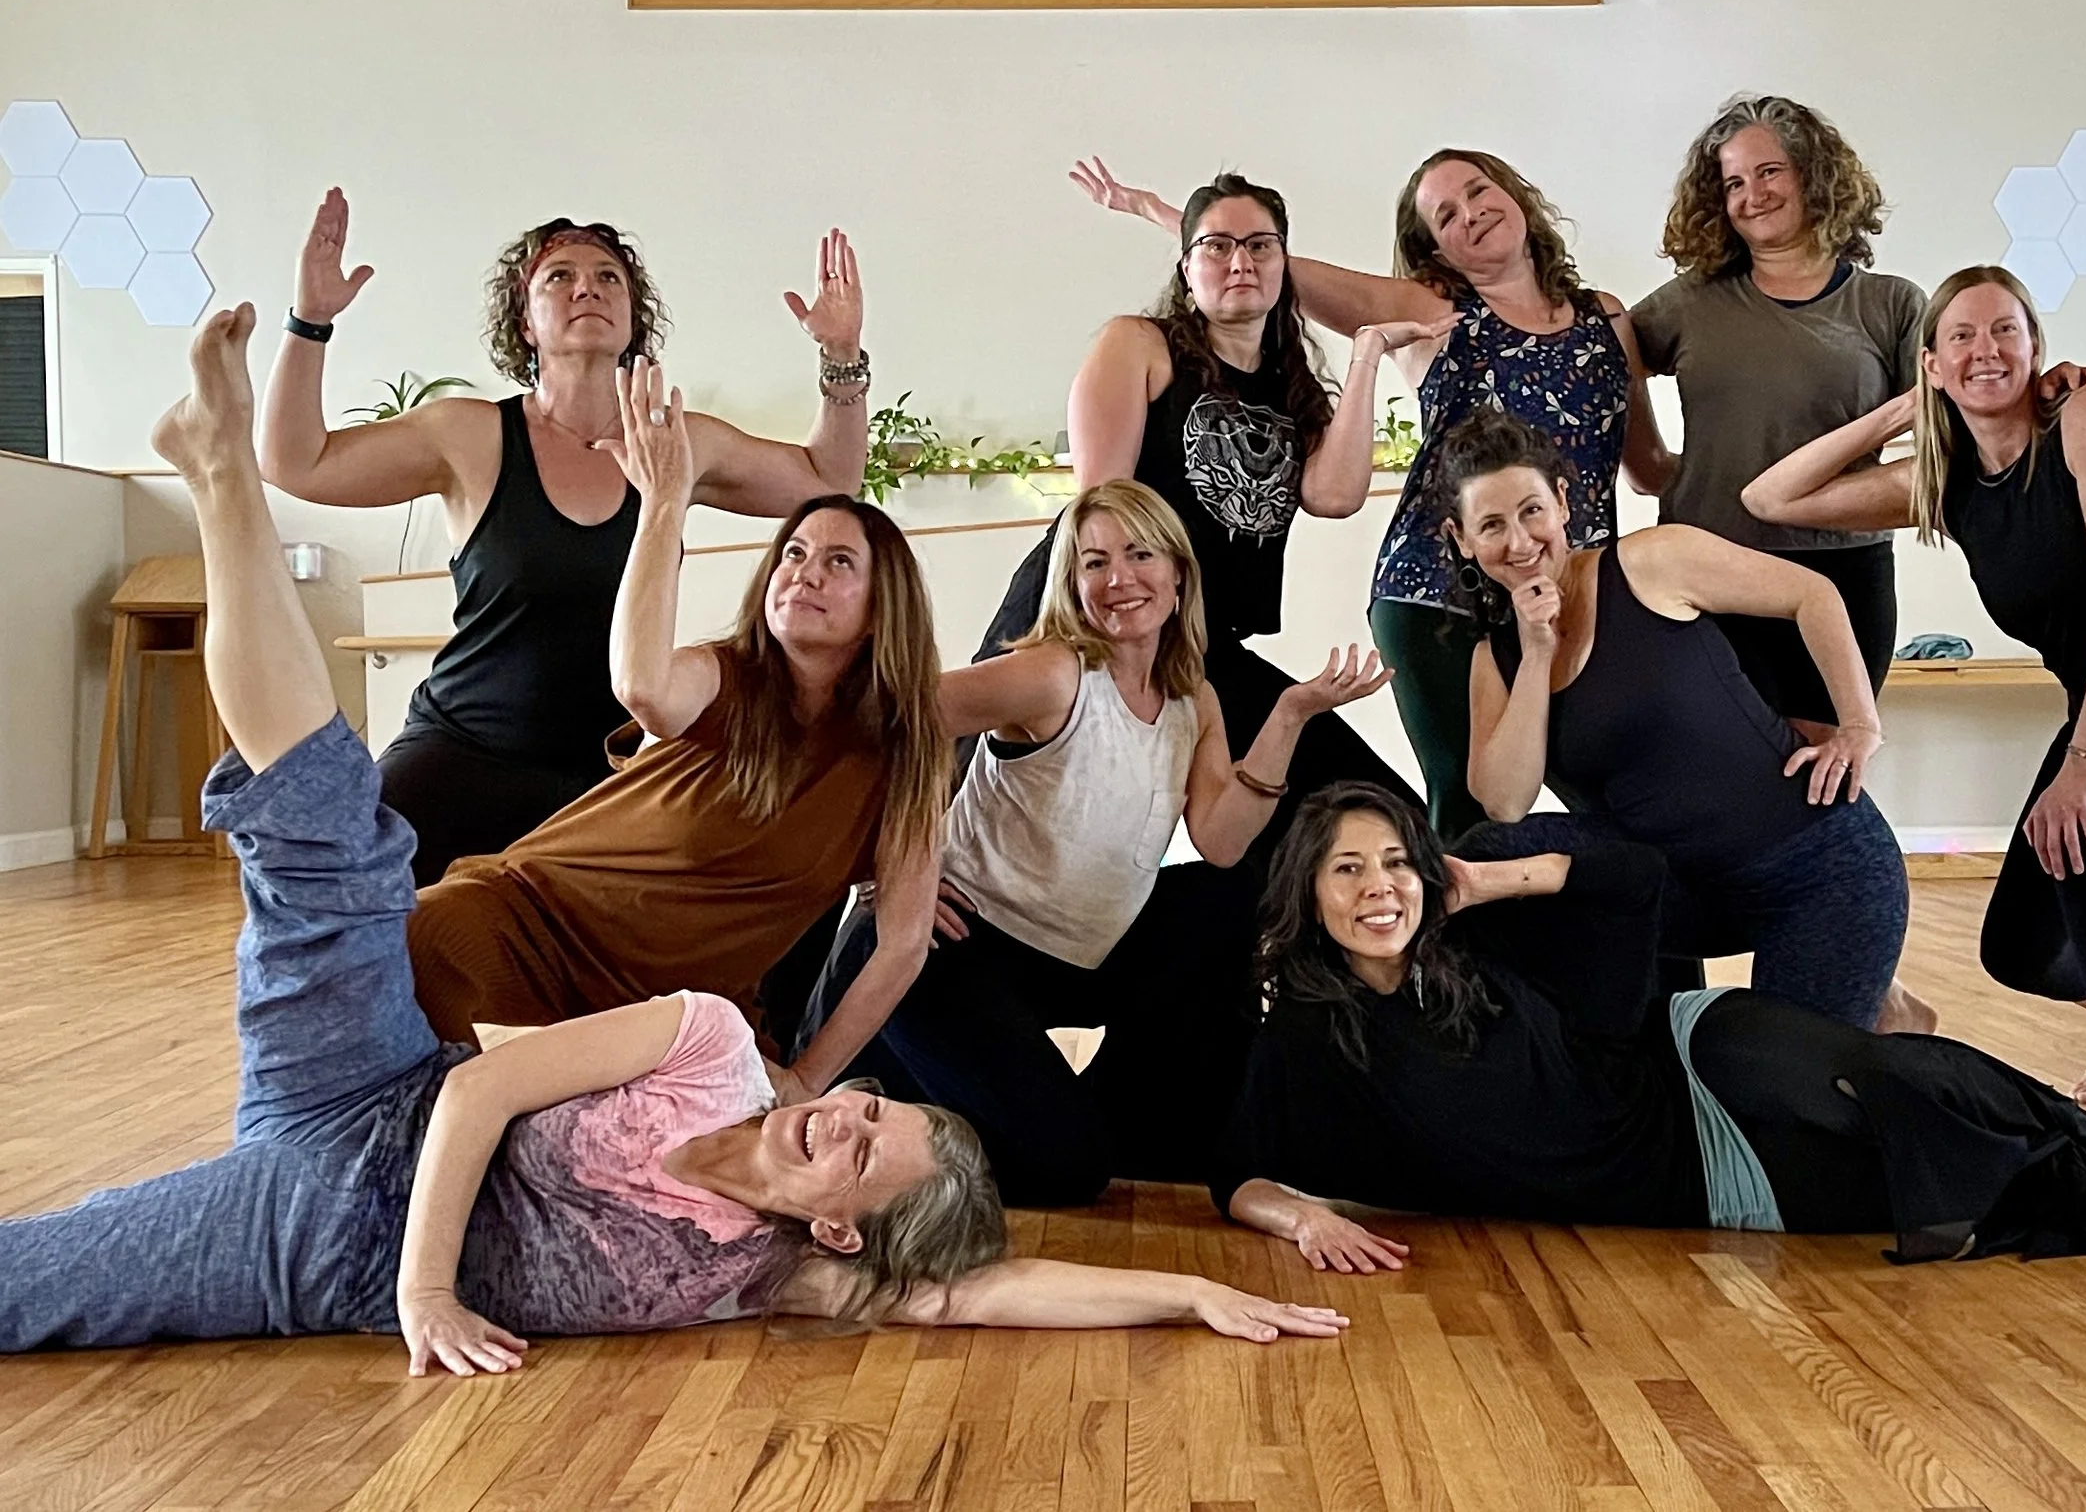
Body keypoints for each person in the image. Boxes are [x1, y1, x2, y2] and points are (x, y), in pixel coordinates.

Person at [0, 303, 1352, 1364]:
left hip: (315, 1244)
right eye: (873, 1110)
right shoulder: (716, 1031)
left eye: (866, 1145)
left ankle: (220, 472)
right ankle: (227, 477)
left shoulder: (768, 1263)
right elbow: (651, 694)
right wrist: (665, 504)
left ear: (842, 1224)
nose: (852, 1120)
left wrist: (1190, 1291)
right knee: (333, 841)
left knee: (39, 1285)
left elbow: (974, 1291)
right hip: (400, 1080)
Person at [1214, 783, 2086, 1273]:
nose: (1378, 885)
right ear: (1306, 894)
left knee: (1902, 1074)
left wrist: (1482, 878)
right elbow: (1243, 1170)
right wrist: (1301, 1214)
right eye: (1346, 870)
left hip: (1692, 1051)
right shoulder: (1310, 1038)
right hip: (1698, 1177)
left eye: (1394, 859)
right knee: (1964, 1175)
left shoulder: (1465, 946)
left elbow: (1632, 879)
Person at [1742, 266, 2086, 1149]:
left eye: (2005, 330)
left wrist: (2083, 770)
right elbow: (1771, 498)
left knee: (2083, 843)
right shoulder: (1946, 478)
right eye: (1959, 336)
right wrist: (1905, 410)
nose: (1985, 350)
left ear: (2037, 349)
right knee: (2013, 948)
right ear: (1932, 361)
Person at [259, 190, 878, 884]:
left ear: (632, 318)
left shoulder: (677, 443)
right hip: (462, 752)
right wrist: (309, 321)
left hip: (613, 771)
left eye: (608, 276)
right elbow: (295, 461)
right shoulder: (469, 435)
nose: (588, 286)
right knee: (346, 881)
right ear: (526, 323)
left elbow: (830, 478)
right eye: (560, 276)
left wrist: (841, 352)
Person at [802, 480, 1391, 1206]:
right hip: (953, 947)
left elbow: (1223, 841)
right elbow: (895, 722)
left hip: (1070, 957)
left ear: (1177, 573)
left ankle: (1135, 1123)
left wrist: (1292, 713)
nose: (1118, 579)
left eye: (1139, 554)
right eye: (1093, 562)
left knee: (1228, 897)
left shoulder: (1190, 699)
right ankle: (903, 1088)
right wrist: (889, 872)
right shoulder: (1053, 673)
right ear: (1071, 583)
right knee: (1065, 1171)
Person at [1075, 151, 1672, 838]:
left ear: (1517, 195)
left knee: (1633, 787)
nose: (1470, 213)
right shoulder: (1435, 308)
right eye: (1445, 214)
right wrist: (1160, 213)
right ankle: (1451, 944)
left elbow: (1648, 467)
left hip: (1570, 585)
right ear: (1432, 249)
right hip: (1437, 589)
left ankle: (1648, 941)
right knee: (1470, 804)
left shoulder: (1606, 319)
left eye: (1480, 191)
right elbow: (1271, 269)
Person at [404, 360, 945, 1095]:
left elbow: (904, 941)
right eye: (793, 553)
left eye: (838, 561)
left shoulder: (901, 757)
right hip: (532, 923)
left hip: (684, 1014)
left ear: (884, 607)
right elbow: (641, 684)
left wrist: (809, 1077)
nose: (803, 572)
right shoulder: (727, 676)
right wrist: (663, 500)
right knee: (424, 942)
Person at [977, 173, 1417, 861]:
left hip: (1203, 645)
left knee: (1372, 811)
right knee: (990, 814)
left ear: (1283, 267)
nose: (1240, 261)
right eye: (1217, 246)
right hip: (1087, 619)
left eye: (1260, 246)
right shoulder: (1140, 345)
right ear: (1187, 272)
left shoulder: (1291, 392)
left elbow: (1335, 494)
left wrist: (1366, 355)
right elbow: (1103, 513)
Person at [1446, 407, 1916, 1032]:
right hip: (1682, 891)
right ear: (1463, 540)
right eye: (1492, 525)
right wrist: (1537, 652)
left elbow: (1813, 595)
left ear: (1562, 503)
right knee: (1488, 854)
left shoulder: (1652, 563)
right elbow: (1505, 802)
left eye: (1532, 510)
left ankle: (1888, 1014)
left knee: (1785, 1087)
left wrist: (1860, 724)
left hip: (1814, 869)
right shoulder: (1495, 657)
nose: (1520, 542)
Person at [1628, 95, 1925, 734]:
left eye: (1769, 172)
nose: (1751, 194)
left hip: (1843, 571)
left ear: (1814, 175)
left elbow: (1958, 425)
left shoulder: (1891, 304)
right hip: (1708, 566)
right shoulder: (1689, 302)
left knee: (1825, 772)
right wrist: (1646, 462)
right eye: (1734, 182)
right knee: (1719, 769)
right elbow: (1603, 352)